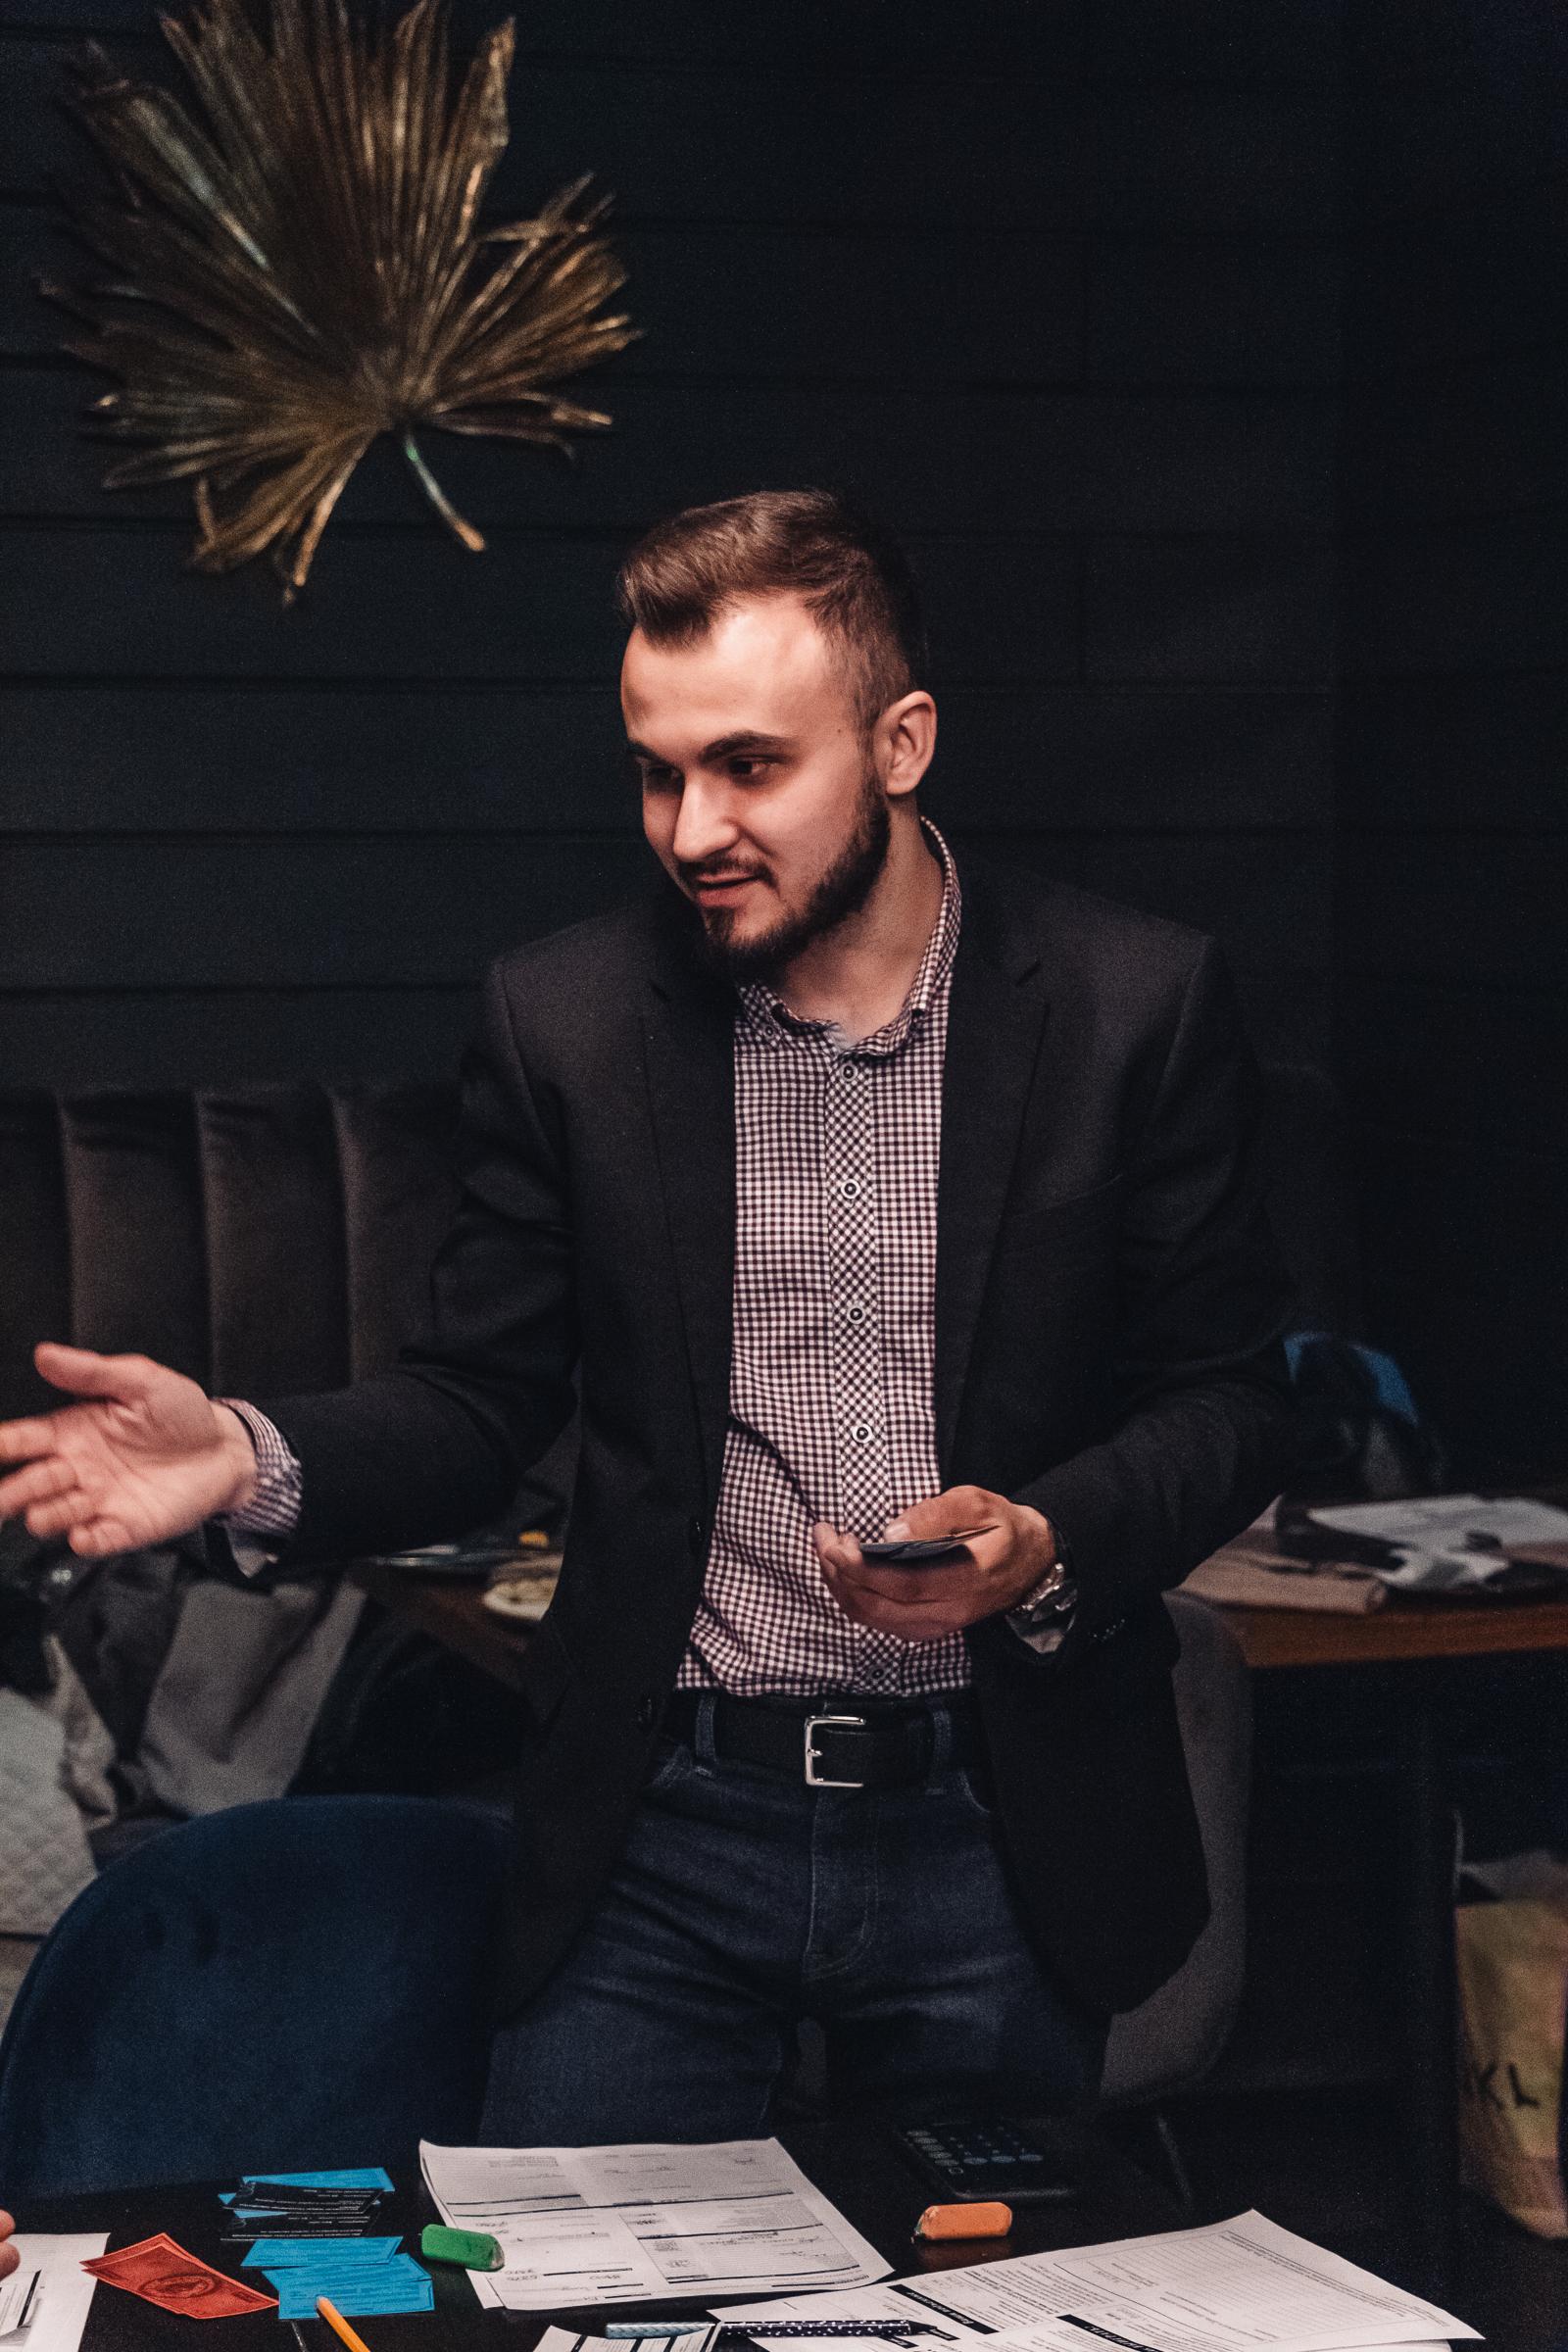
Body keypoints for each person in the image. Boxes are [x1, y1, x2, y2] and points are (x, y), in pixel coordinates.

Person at [0, 491, 1296, 2140]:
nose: (690, 831)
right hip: (662, 1832)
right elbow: (478, 1402)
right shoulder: (568, 1018)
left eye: (749, 767)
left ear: (901, 743)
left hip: (1001, 1824)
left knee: (980, 2273)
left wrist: (1047, 1540)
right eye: (657, 772)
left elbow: (1232, 1399)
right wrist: (245, 1458)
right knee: (576, 2272)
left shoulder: (1131, 1005)